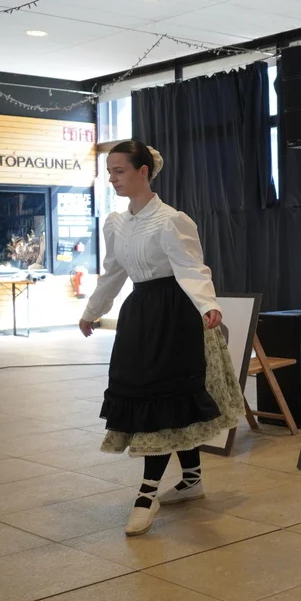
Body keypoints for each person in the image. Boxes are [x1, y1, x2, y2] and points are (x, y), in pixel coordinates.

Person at [79, 141, 242, 537]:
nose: (113, 178)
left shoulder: (171, 220)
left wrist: (208, 305)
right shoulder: (116, 224)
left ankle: (146, 494)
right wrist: (92, 310)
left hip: (175, 314)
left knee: (165, 395)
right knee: (150, 394)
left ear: (143, 172)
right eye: (110, 171)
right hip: (140, 314)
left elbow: (191, 267)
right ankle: (192, 479)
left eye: (119, 170)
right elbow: (113, 273)